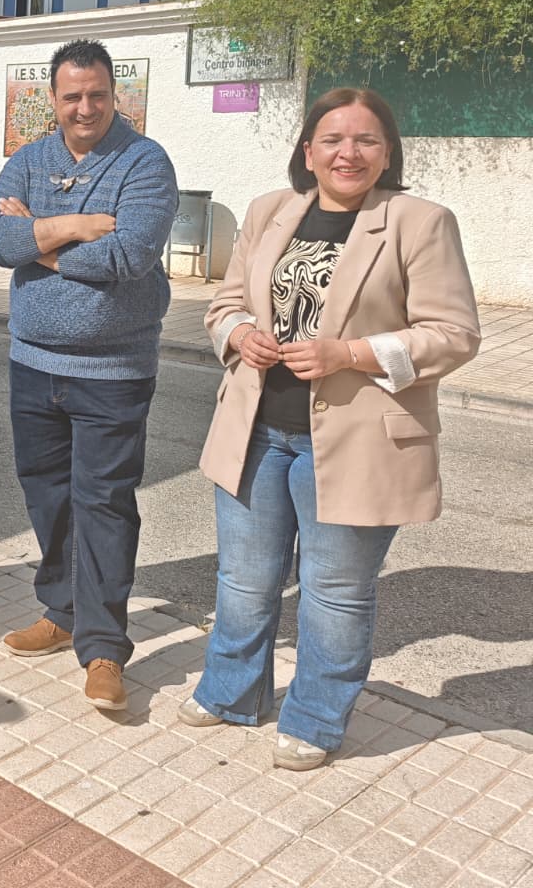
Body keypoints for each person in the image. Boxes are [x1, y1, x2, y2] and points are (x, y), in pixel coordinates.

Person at [185, 88, 479, 769]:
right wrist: (242, 335)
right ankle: (231, 692)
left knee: (335, 594)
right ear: (308, 151)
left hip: (357, 443)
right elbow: (225, 304)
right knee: (243, 580)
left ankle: (315, 717)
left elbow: (454, 334)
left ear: (388, 152)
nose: (349, 152)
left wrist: (350, 353)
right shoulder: (270, 211)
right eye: (333, 140)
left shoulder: (419, 222)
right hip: (257, 431)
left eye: (366, 140)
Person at [0, 38, 177, 712]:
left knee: (104, 505)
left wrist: (38, 242)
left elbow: (130, 256)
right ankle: (61, 611)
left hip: (113, 371)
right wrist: (77, 224)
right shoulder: (30, 159)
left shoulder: (145, 162)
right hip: (32, 364)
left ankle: (104, 648)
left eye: (96, 95)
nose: (84, 108)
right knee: (48, 497)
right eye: (72, 96)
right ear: (53, 100)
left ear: (114, 94)